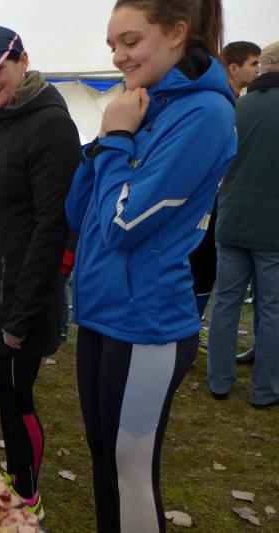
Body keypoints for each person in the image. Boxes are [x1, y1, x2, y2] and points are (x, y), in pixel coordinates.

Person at [65, 1, 236, 531]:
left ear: (177, 32)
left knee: (130, 472)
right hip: (101, 312)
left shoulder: (205, 113)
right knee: (103, 458)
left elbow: (123, 224)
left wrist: (117, 139)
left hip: (147, 324)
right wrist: (105, 141)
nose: (119, 56)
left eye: (131, 41)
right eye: (113, 45)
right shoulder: (144, 105)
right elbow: (77, 212)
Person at [0, 26, 81, 520]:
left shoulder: (50, 125)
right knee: (4, 397)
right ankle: (14, 480)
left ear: (22, 61)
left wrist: (21, 315)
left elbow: (53, 228)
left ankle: (28, 495)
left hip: (20, 300)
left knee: (17, 399)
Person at [207, 41, 279, 409]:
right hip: (272, 227)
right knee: (272, 308)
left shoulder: (237, 106)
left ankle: (219, 380)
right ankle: (266, 389)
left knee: (226, 302)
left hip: (233, 216)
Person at [187, 41, 261, 355]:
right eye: (253, 63)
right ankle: (186, 335)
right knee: (200, 267)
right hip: (208, 199)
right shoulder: (219, 102)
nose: (257, 70)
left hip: (224, 198)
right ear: (233, 67)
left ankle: (190, 334)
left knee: (209, 270)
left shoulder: (238, 101)